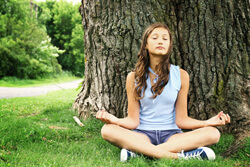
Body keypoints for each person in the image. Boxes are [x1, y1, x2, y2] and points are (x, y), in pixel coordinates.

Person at [96, 22, 230, 162]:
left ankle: (140, 152)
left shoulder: (181, 75)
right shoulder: (133, 77)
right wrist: (115, 121)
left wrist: (207, 123)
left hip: (172, 135)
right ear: (146, 45)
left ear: (169, 46)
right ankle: (179, 157)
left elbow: (182, 120)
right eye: (155, 38)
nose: (160, 41)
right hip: (142, 134)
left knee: (213, 133)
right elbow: (133, 121)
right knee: (107, 130)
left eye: (165, 39)